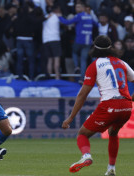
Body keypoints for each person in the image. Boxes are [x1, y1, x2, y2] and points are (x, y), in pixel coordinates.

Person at [62, 35, 134, 176]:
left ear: (94, 48)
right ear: (110, 47)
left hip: (109, 105)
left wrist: (70, 118)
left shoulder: (94, 66)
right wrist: (131, 99)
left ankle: (86, 156)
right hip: (126, 106)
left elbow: (83, 95)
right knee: (113, 132)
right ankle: (111, 168)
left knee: (82, 134)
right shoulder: (122, 63)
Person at [58, 2, 97, 83]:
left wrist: (59, 17)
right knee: (83, 60)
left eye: (78, 7)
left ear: (83, 8)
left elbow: (67, 22)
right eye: (76, 7)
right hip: (88, 42)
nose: (77, 9)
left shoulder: (79, 16)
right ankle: (82, 79)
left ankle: (76, 67)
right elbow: (96, 24)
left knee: (74, 52)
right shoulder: (89, 16)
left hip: (79, 41)